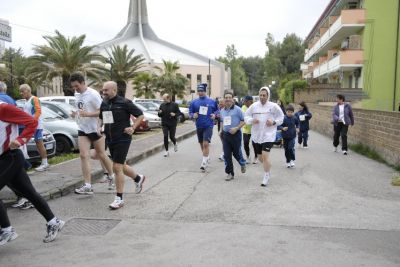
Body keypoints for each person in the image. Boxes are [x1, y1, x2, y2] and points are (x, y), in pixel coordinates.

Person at [0, 101, 64, 245]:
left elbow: (31, 122)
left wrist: (21, 139)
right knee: (29, 193)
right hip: (5, 159)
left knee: (29, 193)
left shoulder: (3, 108)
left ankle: (6, 230)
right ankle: (54, 222)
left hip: (10, 156)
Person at [100, 81, 146, 209]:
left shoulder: (125, 102)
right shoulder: (104, 103)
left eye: (106, 90)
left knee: (117, 167)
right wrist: (99, 127)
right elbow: (102, 118)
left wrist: (133, 127)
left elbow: (140, 115)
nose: (103, 92)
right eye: (103, 90)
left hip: (123, 138)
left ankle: (119, 198)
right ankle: (138, 178)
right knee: (121, 165)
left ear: (114, 90)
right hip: (110, 138)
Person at [69, 73, 114, 195]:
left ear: (83, 82)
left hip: (95, 128)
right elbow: (81, 109)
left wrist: (88, 115)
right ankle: (88, 185)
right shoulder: (77, 94)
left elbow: (103, 111)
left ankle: (111, 175)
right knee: (84, 155)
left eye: (77, 86)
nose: (75, 89)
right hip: (83, 128)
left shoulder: (93, 94)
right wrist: (76, 114)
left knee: (101, 154)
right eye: (73, 87)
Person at [245, 87, 284, 187]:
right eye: (261, 95)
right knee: (260, 157)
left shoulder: (274, 106)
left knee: (265, 156)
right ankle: (268, 168)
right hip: (256, 135)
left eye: (264, 95)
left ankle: (266, 175)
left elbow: (281, 117)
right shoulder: (254, 106)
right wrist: (251, 120)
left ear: (268, 96)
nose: (262, 97)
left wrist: (274, 122)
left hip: (268, 135)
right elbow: (246, 116)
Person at [19, 84, 49, 172]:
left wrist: (32, 121)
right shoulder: (26, 101)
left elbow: (38, 111)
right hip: (30, 126)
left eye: (22, 91)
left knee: (39, 143)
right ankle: (25, 163)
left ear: (28, 90)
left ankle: (45, 163)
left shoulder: (34, 99)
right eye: (20, 91)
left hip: (36, 126)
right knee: (25, 143)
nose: (21, 93)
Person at [189, 83, 217, 172]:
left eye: (202, 91)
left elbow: (217, 110)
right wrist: (193, 115)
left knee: (206, 144)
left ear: (205, 91)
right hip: (199, 125)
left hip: (208, 125)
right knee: (201, 144)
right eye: (199, 91)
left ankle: (203, 163)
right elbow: (190, 113)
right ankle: (206, 157)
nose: (200, 93)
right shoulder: (194, 102)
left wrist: (215, 115)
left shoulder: (211, 101)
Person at [219, 91, 247, 181]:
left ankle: (242, 163)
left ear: (232, 99)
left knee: (236, 153)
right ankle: (230, 173)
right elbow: (222, 121)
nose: (227, 99)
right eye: (226, 98)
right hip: (226, 135)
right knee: (227, 155)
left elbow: (243, 121)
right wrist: (221, 130)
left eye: (229, 97)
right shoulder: (222, 111)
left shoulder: (238, 109)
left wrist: (236, 128)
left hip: (236, 135)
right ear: (224, 99)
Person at [241, 95, 258, 164]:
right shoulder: (243, 107)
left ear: (250, 101)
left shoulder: (255, 108)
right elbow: (242, 117)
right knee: (245, 143)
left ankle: (256, 157)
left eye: (245, 101)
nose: (244, 102)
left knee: (255, 144)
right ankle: (248, 156)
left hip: (254, 129)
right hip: (246, 129)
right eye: (244, 101)